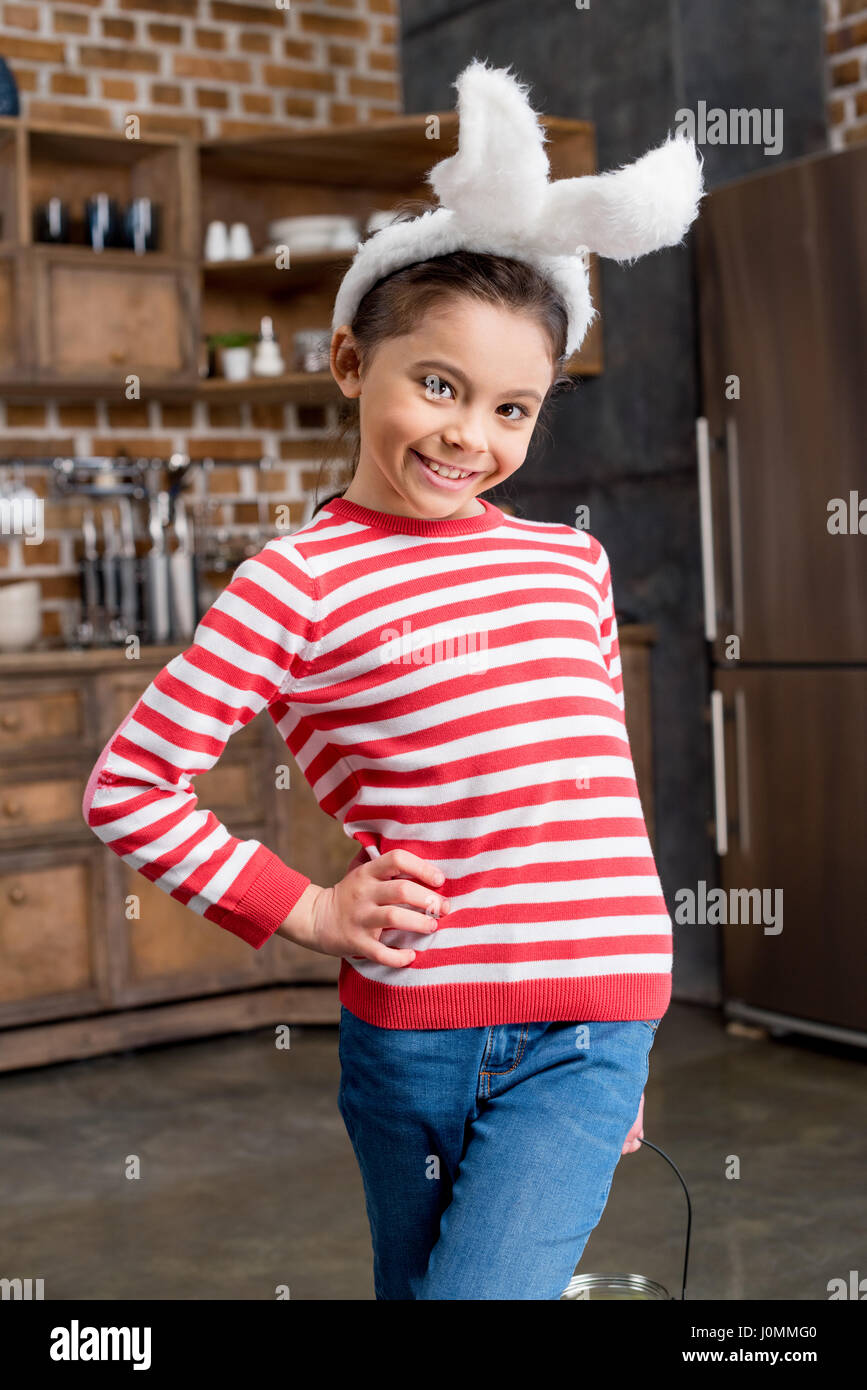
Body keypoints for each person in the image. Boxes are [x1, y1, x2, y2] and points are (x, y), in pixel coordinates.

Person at [82, 58, 703, 1299]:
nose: (473, 436)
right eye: (439, 384)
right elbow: (130, 783)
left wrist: (616, 1036)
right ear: (346, 358)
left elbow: (594, 793)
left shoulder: (571, 564)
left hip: (596, 1022)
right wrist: (306, 911)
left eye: (514, 408)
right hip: (418, 1035)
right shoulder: (295, 583)